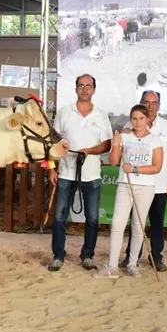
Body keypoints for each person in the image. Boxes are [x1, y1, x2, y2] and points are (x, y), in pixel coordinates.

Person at [48, 74, 113, 272]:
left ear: (94, 90)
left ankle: (87, 256)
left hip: (91, 173)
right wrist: (51, 167)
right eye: (81, 85)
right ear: (76, 89)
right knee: (59, 216)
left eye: (89, 86)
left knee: (92, 218)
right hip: (66, 172)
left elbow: (107, 144)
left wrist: (90, 151)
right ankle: (58, 256)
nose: (85, 89)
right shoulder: (64, 112)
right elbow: (52, 141)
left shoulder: (101, 115)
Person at [95, 104, 163, 279]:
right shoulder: (125, 137)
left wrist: (134, 169)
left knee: (138, 226)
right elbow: (113, 161)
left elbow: (157, 167)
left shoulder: (155, 140)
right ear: (130, 120)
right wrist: (116, 144)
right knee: (117, 224)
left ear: (147, 119)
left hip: (145, 187)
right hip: (125, 185)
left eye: (141, 118)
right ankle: (112, 265)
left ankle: (133, 264)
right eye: (134, 118)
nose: (138, 122)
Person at [122, 90, 167, 272]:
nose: (150, 106)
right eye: (146, 102)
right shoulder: (130, 125)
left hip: (160, 185)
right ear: (141, 102)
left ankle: (156, 257)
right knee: (136, 222)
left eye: (154, 103)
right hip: (137, 184)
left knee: (157, 223)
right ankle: (132, 257)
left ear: (159, 106)